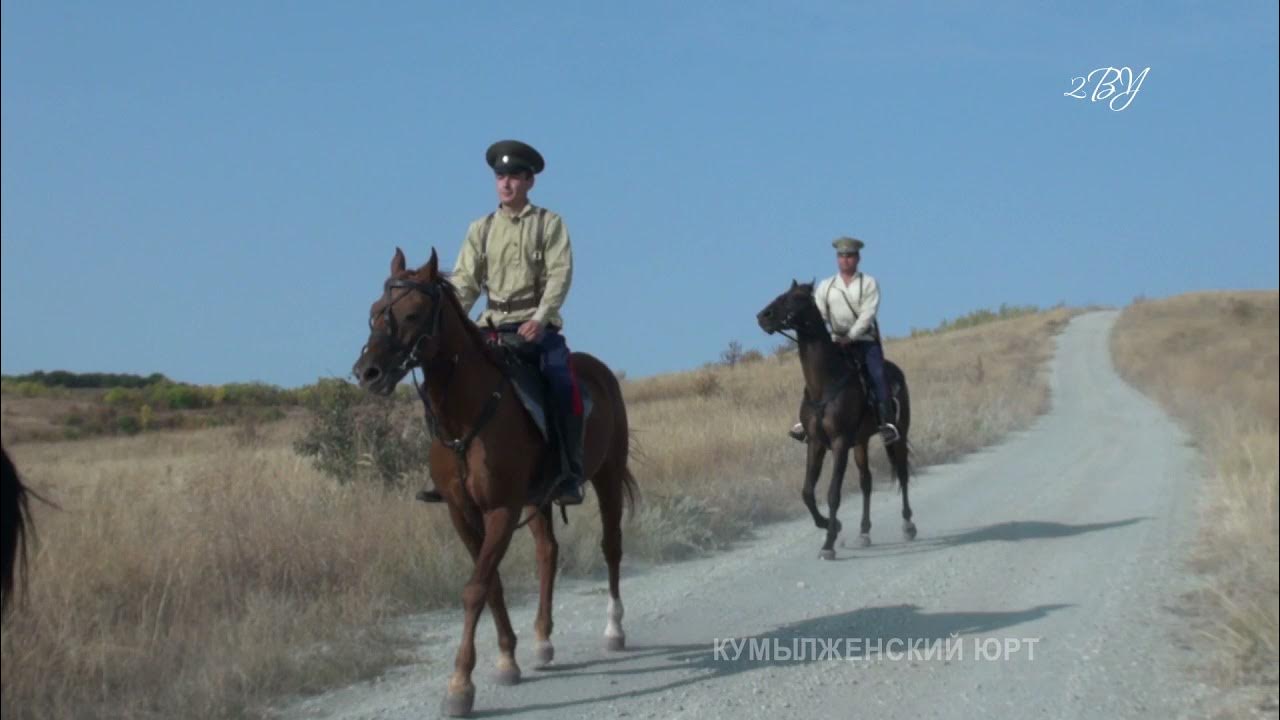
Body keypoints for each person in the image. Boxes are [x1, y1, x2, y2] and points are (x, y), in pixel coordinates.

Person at [416, 139, 585, 506]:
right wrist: (454, 320)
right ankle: (444, 473)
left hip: (536, 329)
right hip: (490, 328)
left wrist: (540, 319)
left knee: (561, 381)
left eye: (514, 176)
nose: (506, 183)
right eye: (500, 176)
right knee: (438, 384)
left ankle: (568, 471)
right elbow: (465, 282)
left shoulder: (549, 224)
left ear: (529, 182)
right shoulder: (481, 228)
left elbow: (560, 275)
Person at [789, 236, 901, 445]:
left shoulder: (868, 283)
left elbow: (868, 314)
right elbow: (821, 314)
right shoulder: (826, 286)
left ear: (857, 258)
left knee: (877, 373)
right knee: (817, 374)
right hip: (835, 340)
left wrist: (851, 336)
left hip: (864, 340)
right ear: (837, 259)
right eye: (841, 256)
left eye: (849, 256)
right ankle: (805, 422)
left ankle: (887, 422)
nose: (845, 260)